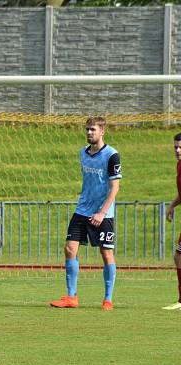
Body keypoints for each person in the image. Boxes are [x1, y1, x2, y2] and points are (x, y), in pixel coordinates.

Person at [50, 116, 121, 311]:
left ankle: (108, 299)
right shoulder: (83, 153)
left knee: (106, 254)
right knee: (69, 249)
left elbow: (115, 187)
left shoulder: (112, 155)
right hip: (82, 210)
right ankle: (71, 297)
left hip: (103, 214)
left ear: (102, 131)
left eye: (93, 130)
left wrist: (101, 212)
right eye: (87, 129)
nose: (89, 133)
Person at [162, 132, 181, 310]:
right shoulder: (179, 166)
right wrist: (171, 206)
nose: (177, 150)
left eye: (180, 147)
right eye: (175, 146)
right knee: (179, 256)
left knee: (179, 256)